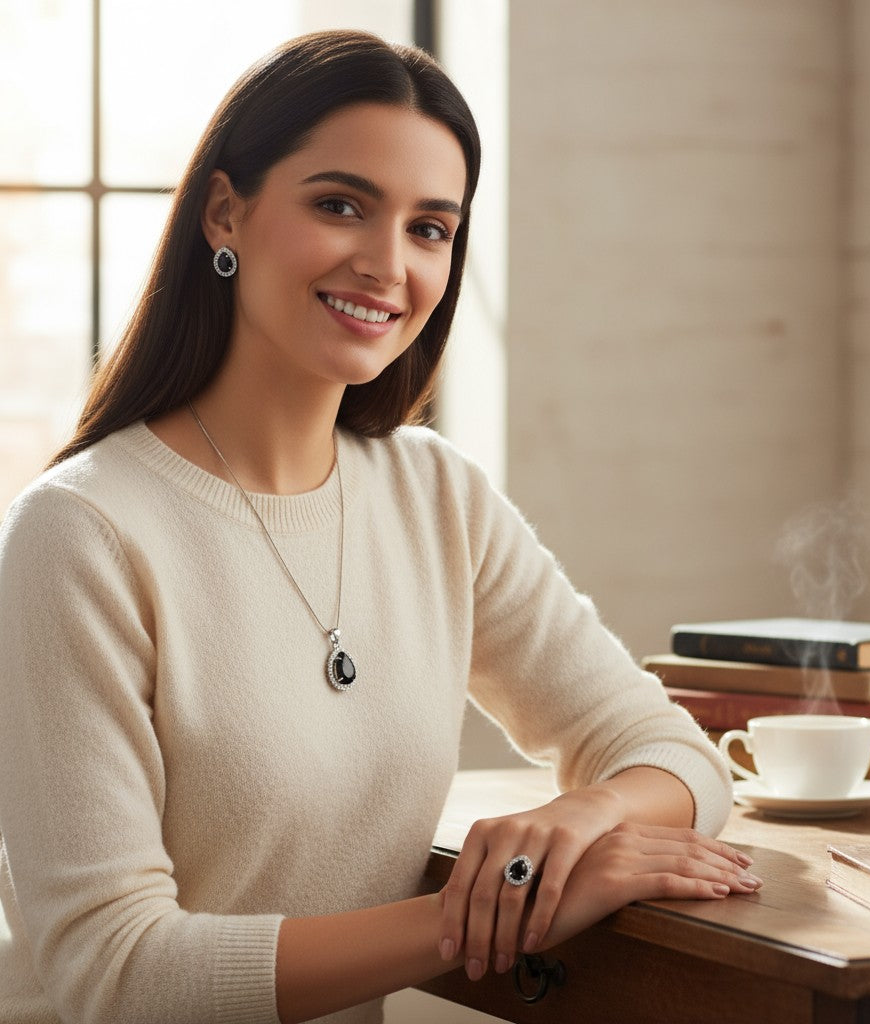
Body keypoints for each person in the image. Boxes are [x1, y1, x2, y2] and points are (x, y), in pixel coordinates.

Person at [0, 29, 759, 1024]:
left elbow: (676, 754)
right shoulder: (82, 533)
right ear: (225, 210)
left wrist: (583, 818)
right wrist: (498, 911)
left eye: (430, 229)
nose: (386, 264)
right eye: (340, 205)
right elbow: (117, 971)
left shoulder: (434, 495)